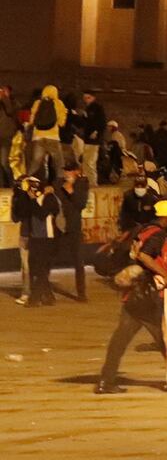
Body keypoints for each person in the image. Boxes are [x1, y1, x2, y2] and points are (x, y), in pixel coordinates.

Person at [94, 199, 167, 394]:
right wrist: (165, 275)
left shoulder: (141, 230)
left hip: (133, 295)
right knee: (164, 338)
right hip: (147, 296)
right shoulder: (158, 235)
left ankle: (105, 381)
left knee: (120, 340)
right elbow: (144, 256)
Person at [13, 176, 63, 307]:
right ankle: (49, 297)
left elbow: (42, 215)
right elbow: (20, 214)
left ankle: (34, 299)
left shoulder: (49, 198)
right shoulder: (31, 199)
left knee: (41, 269)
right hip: (35, 238)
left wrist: (34, 200)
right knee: (37, 269)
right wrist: (19, 196)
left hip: (48, 238)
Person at [55, 161, 90, 302]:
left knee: (78, 261)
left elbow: (81, 204)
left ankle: (81, 293)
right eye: (66, 171)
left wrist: (71, 191)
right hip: (58, 225)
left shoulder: (82, 184)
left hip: (74, 227)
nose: (67, 174)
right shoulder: (58, 183)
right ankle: (44, 291)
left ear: (77, 171)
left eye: (70, 171)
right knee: (47, 258)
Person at [28, 84, 67, 182]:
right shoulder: (58, 103)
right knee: (59, 162)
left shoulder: (37, 103)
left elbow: (31, 121)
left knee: (36, 162)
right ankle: (60, 184)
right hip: (53, 137)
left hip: (38, 137)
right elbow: (62, 123)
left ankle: (27, 182)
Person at [81, 92, 107, 186]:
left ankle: (93, 183)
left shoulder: (97, 108)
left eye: (88, 97)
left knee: (90, 162)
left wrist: (96, 132)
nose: (86, 100)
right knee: (86, 162)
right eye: (84, 98)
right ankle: (87, 182)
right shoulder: (88, 109)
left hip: (94, 140)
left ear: (93, 98)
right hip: (87, 139)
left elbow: (102, 122)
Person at [0, 85, 18, 188]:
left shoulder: (13, 102)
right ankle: (2, 184)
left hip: (6, 136)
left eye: (5, 91)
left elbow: (10, 111)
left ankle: (12, 183)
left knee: (4, 162)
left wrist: (5, 99)